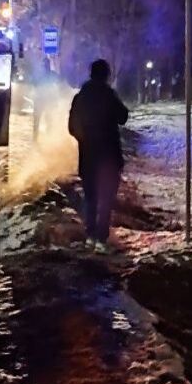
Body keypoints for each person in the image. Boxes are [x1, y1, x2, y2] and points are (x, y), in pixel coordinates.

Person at [68, 59, 129, 252]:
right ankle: (101, 240)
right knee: (106, 198)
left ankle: (90, 236)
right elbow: (123, 117)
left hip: (88, 158)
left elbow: (72, 127)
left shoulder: (80, 97)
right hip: (109, 157)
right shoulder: (109, 95)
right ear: (106, 75)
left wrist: (84, 140)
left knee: (91, 198)